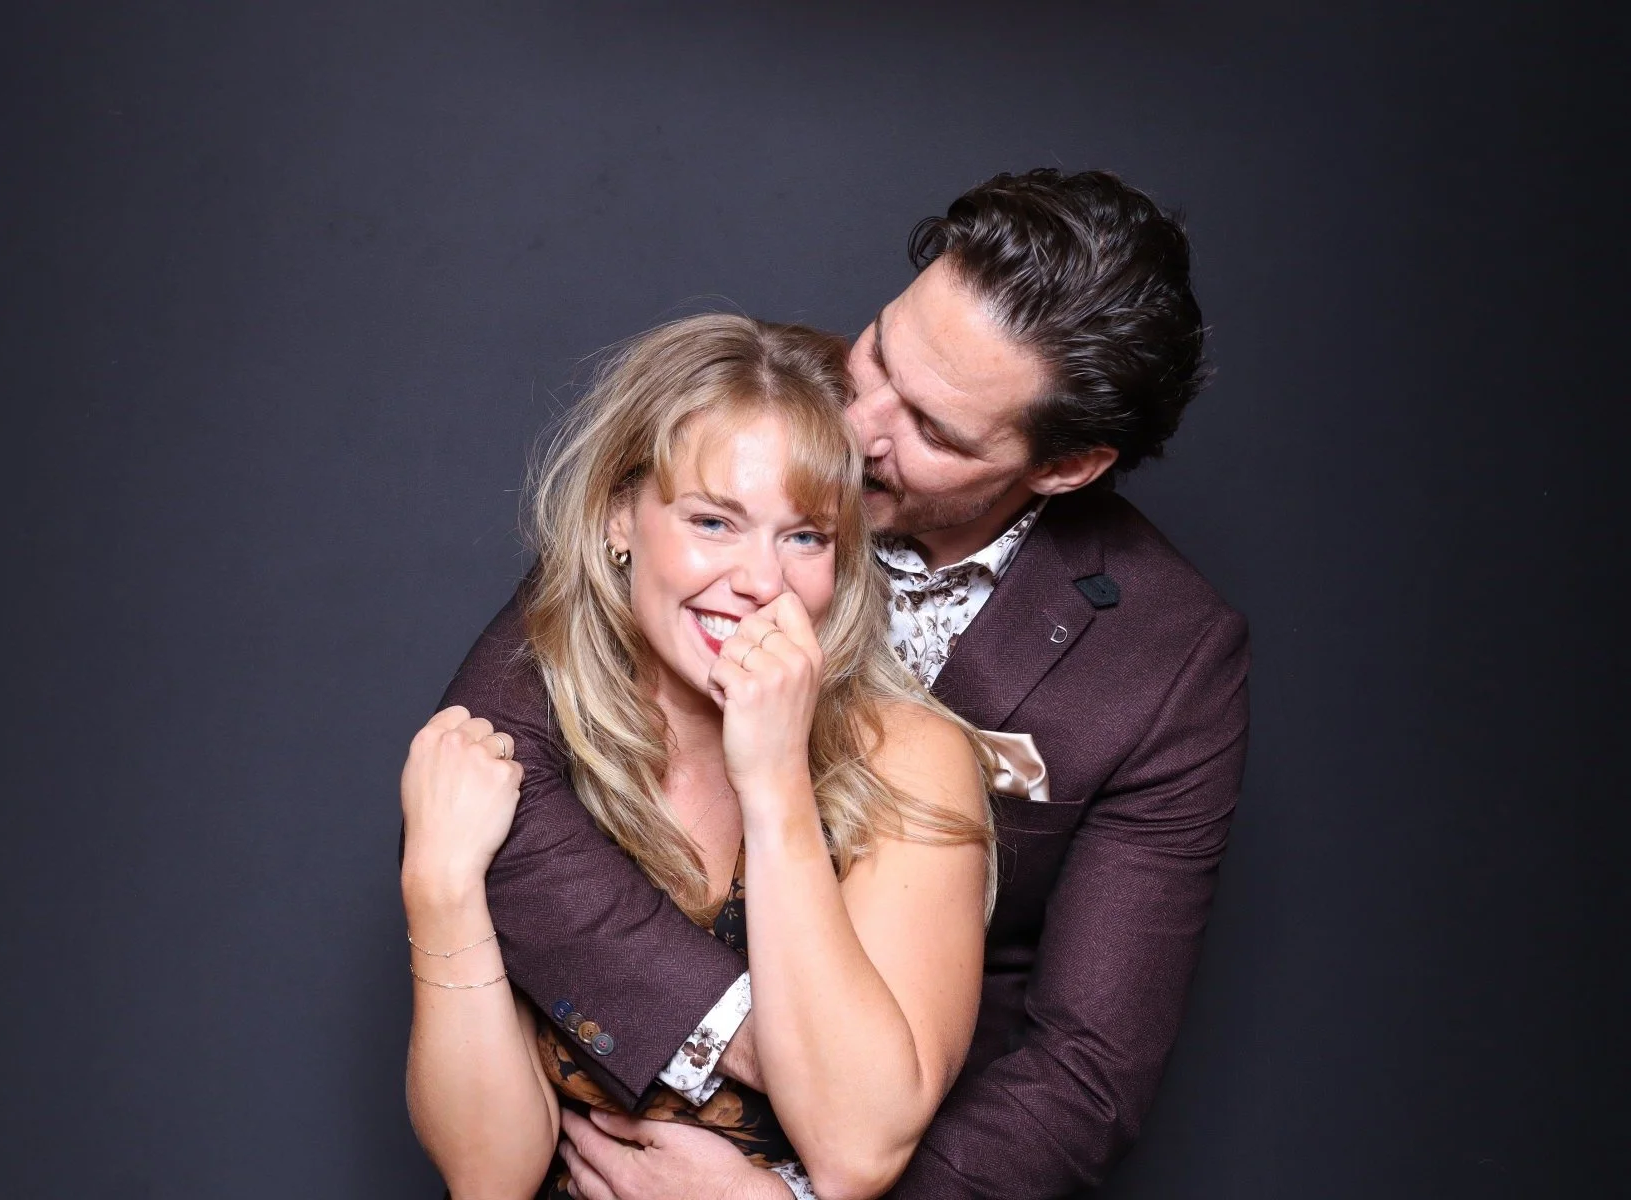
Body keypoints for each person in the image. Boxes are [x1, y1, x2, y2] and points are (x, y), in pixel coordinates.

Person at [430, 168, 1251, 1199]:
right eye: (881, 354)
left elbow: (1088, 1071)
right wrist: (762, 1045)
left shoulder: (1169, 659)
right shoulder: (762, 410)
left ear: (1068, 466)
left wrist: (801, 1198)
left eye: (936, 431)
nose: (860, 428)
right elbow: (509, 752)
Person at [400, 315, 1003, 1199]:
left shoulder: (909, 758)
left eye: (805, 537)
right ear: (619, 517)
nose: (762, 580)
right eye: (714, 522)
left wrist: (775, 779)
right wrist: (442, 893)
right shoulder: (552, 750)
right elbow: (490, 1174)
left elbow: (860, 1144)